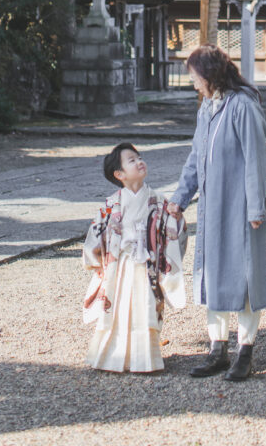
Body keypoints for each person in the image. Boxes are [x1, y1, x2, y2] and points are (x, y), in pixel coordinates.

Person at [167, 45, 266, 382]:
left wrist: (257, 207)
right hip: (212, 207)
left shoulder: (242, 106)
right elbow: (195, 159)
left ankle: (246, 351)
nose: (193, 82)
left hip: (241, 206)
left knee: (243, 278)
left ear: (209, 74)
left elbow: (255, 158)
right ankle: (217, 348)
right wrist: (179, 199)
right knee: (212, 275)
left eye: (195, 76)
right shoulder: (206, 109)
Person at [82, 142, 187, 373]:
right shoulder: (111, 204)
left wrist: (176, 219)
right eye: (132, 160)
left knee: (145, 306)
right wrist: (95, 260)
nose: (140, 162)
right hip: (120, 266)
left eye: (139, 157)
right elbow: (95, 233)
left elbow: (174, 228)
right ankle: (112, 356)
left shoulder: (159, 201)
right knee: (118, 308)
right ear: (119, 174)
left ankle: (145, 358)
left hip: (146, 265)